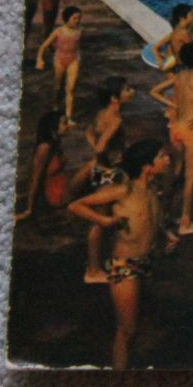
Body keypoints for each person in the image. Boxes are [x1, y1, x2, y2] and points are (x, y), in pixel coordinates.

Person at [68, 138, 171, 369]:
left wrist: (166, 235)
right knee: (126, 331)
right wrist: (104, 220)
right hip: (124, 265)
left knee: (138, 323)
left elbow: (150, 221)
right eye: (162, 156)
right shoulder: (124, 190)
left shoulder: (152, 190)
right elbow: (76, 205)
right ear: (147, 166)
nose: (168, 160)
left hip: (147, 261)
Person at [150, 40, 193, 236]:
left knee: (174, 172)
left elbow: (154, 91)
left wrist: (176, 106)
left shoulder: (179, 76)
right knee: (190, 177)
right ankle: (186, 222)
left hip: (177, 127)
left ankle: (164, 215)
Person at [76, 77, 135, 281]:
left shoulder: (101, 114)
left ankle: (96, 263)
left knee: (103, 219)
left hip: (100, 170)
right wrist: (103, 152)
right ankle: (93, 270)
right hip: (109, 173)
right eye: (127, 89)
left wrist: (97, 156)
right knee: (99, 222)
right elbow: (100, 146)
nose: (131, 91)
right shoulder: (116, 119)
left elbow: (88, 133)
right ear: (114, 98)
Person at [14, 109, 68, 222]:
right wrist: (29, 210)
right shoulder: (44, 148)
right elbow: (34, 178)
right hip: (52, 193)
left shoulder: (55, 142)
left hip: (58, 186)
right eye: (64, 123)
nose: (67, 126)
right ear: (54, 126)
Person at [35, 5, 85, 125]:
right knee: (57, 86)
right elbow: (43, 46)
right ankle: (55, 105)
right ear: (67, 18)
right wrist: (39, 59)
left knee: (71, 88)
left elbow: (78, 45)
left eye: (79, 18)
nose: (77, 21)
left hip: (74, 59)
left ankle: (68, 116)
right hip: (59, 59)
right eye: (74, 18)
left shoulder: (80, 30)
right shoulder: (58, 31)